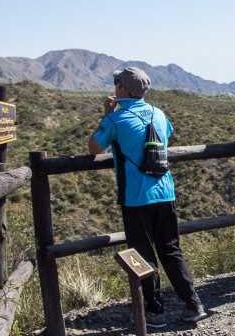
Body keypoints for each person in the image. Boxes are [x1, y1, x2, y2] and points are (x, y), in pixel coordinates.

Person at [88, 67, 207, 326]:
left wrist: (107, 116)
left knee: (143, 253)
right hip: (165, 191)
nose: (114, 85)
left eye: (116, 81)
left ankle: (154, 312)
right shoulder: (159, 113)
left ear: (123, 89)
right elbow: (167, 135)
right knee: (171, 250)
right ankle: (193, 303)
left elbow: (94, 147)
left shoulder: (117, 119)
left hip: (136, 197)